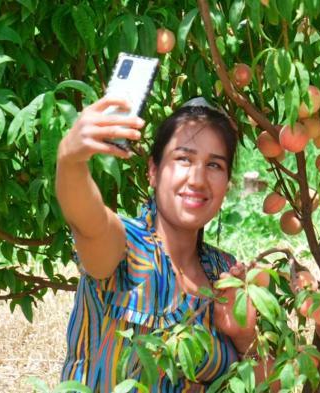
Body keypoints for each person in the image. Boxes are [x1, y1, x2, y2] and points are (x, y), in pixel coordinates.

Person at [56, 96, 257, 391]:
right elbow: (89, 221)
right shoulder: (127, 247)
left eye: (214, 165)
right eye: (183, 159)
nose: (198, 179)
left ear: (226, 186)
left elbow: (265, 385)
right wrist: (70, 161)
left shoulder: (225, 272)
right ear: (153, 171)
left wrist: (244, 336)